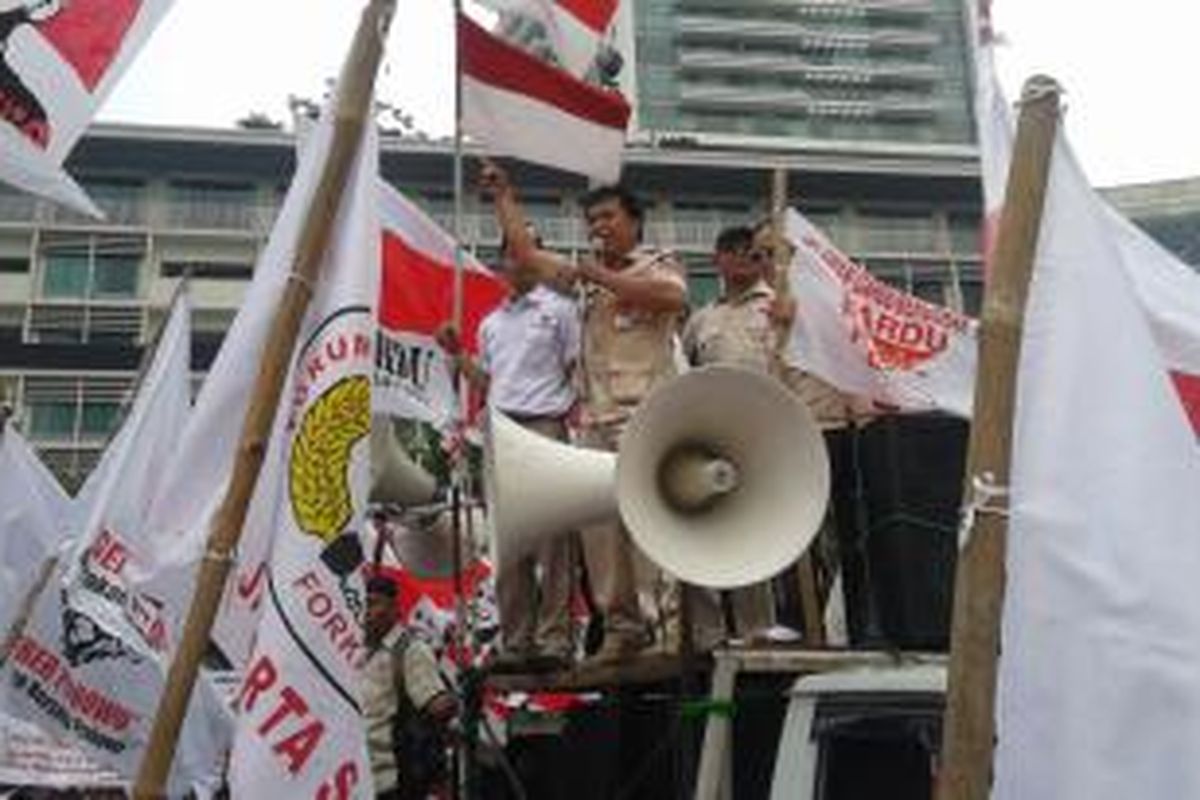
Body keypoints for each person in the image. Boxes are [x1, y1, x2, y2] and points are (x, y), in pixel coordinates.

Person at [481, 159, 688, 663]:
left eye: (608, 218)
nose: (599, 228)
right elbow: (527, 254)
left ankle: (664, 630)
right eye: (592, 222)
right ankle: (620, 628)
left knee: (650, 526)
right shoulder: (584, 278)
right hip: (595, 419)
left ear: (634, 221)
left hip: (646, 416)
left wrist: (598, 274)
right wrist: (504, 195)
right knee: (599, 534)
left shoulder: (659, 263)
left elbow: (671, 297)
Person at [436, 228, 581, 672]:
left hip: (547, 425)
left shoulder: (562, 310)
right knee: (510, 539)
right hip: (501, 430)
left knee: (555, 537)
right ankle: (517, 640)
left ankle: (555, 638)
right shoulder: (491, 324)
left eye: (529, 253)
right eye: (512, 255)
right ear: (502, 263)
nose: (519, 262)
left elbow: (576, 369)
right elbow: (489, 383)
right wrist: (457, 354)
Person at [680, 225, 786, 645]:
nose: (748, 259)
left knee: (753, 529)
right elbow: (681, 369)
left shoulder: (778, 307)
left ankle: (755, 626)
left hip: (762, 433)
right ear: (718, 259)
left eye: (755, 253)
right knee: (703, 526)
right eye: (737, 251)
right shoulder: (703, 319)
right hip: (711, 436)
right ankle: (708, 630)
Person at [362, 575, 457, 800]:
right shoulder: (357, 651)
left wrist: (459, 694)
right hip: (357, 778)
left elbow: (436, 705)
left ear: (395, 608)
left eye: (374, 603)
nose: (366, 611)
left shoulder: (411, 650)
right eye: (363, 603)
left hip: (392, 782)